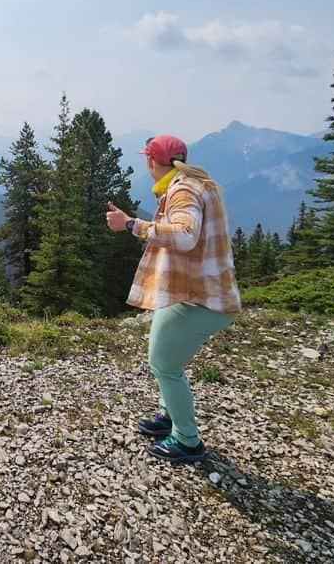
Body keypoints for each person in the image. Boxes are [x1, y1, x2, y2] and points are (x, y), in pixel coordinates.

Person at [105, 134, 241, 463]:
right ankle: (171, 417)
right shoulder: (193, 183)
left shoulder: (183, 189)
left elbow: (184, 234)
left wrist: (132, 225)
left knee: (164, 363)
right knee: (163, 356)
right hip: (193, 290)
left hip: (203, 298)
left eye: (147, 160)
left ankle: (188, 441)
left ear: (153, 162)